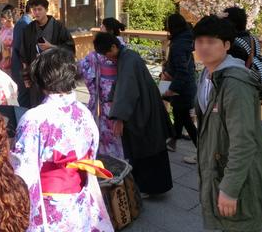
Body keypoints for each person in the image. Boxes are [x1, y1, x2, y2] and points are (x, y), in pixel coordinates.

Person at [12, 47, 113, 231]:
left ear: (41, 79)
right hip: (79, 198)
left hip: (50, 203)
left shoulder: (34, 118)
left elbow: (23, 170)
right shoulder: (83, 112)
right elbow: (92, 148)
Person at [193, 15, 262, 231]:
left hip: (239, 180)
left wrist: (229, 188)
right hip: (216, 170)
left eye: (211, 42)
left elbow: (244, 141)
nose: (204, 47)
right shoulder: (206, 75)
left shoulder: (235, 83)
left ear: (226, 45)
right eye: (200, 41)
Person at [96, 32, 173, 197]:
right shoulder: (127, 56)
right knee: (151, 145)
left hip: (142, 110)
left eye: (107, 53)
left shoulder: (128, 60)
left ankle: (150, 187)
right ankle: (154, 186)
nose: (107, 58)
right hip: (144, 105)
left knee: (144, 146)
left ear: (114, 47)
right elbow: (122, 85)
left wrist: (119, 117)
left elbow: (127, 90)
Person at [20, 0, 75, 106]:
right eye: (34, 10)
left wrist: (52, 47)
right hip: (35, 74)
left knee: (55, 104)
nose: (36, 12)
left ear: (46, 10)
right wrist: (26, 77)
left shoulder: (59, 27)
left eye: (40, 9)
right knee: (36, 104)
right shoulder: (29, 29)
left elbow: (70, 48)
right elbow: (24, 54)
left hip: (54, 73)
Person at [78, 33, 124, 158]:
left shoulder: (99, 53)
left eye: (103, 27)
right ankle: (118, 156)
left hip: (107, 94)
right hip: (116, 95)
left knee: (109, 126)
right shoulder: (123, 50)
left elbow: (83, 67)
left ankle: (109, 155)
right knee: (112, 127)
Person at [162, 13, 198, 161]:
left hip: (181, 89)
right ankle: (173, 141)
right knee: (179, 115)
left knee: (185, 119)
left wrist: (172, 89)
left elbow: (181, 71)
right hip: (187, 85)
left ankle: (201, 151)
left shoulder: (178, 45)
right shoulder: (187, 38)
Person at [12, 0, 34, 107]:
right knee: (25, 97)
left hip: (21, 66)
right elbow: (23, 49)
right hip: (23, 67)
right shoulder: (25, 23)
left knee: (25, 96)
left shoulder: (23, 22)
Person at [0, 9, 15, 74]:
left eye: (3, 20)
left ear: (10, 19)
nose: (1, 22)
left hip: (9, 55)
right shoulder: (3, 28)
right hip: (1, 54)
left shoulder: (13, 30)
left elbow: (10, 43)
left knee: (8, 73)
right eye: (1, 19)